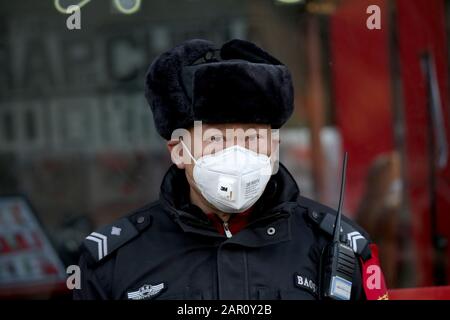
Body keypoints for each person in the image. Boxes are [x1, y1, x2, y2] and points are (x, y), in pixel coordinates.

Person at [73, 39, 388, 300]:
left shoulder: (336, 245)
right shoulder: (115, 260)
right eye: (215, 138)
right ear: (179, 151)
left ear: (274, 148)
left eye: (251, 137)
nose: (236, 153)